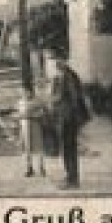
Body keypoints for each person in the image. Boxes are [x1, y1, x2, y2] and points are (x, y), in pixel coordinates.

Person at [52, 57, 91, 190]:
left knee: (69, 148)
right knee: (67, 148)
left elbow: (74, 99)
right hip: (66, 117)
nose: (55, 63)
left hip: (68, 118)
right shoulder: (63, 76)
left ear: (64, 61)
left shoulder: (68, 77)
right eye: (54, 60)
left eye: (57, 60)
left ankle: (73, 180)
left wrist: (56, 101)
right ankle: (70, 176)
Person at [16, 83, 47, 177]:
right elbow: (18, 113)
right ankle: (29, 168)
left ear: (30, 92)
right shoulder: (20, 102)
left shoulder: (37, 101)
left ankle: (41, 168)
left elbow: (42, 113)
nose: (24, 93)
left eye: (26, 91)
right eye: (22, 91)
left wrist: (32, 115)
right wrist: (19, 117)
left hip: (35, 125)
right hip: (24, 126)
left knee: (38, 147)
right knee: (26, 148)